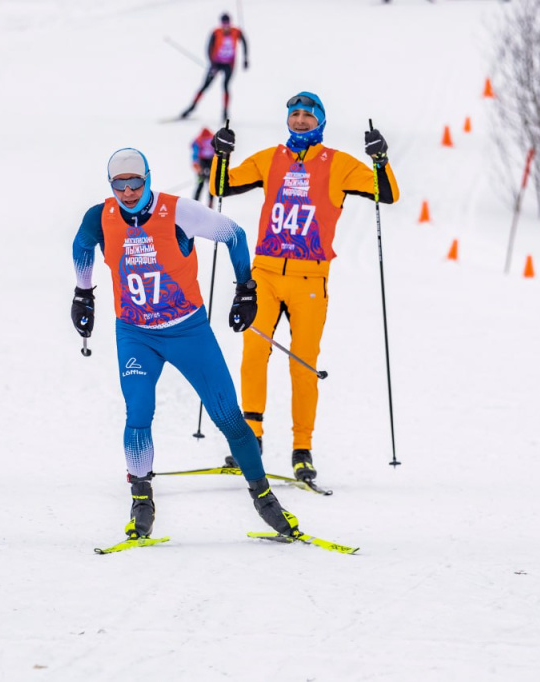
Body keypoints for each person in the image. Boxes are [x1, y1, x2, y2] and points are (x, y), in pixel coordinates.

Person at [70, 147, 300, 542]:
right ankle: (141, 498)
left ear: (148, 178)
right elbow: (81, 246)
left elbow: (233, 234)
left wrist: (246, 290)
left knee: (228, 416)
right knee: (138, 411)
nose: (127, 192)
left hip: (187, 331)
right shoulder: (101, 216)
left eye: (135, 183)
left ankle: (263, 497)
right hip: (136, 334)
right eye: (119, 185)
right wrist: (83, 293)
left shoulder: (177, 211)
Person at [209, 91, 399, 482]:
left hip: (310, 279)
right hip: (264, 273)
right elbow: (222, 187)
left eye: (307, 115)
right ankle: (251, 439)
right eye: (294, 114)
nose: (299, 120)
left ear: (320, 121)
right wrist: (221, 154)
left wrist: (381, 160)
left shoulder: (339, 164)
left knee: (304, 366)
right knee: (253, 355)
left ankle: (302, 449)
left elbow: (386, 193)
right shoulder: (270, 158)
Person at [179, 13, 248, 122]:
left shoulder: (236, 32)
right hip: (216, 63)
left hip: (229, 64)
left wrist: (245, 58)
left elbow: (244, 42)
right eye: (224, 23)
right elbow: (208, 48)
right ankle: (191, 108)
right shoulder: (215, 33)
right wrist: (212, 64)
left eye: (227, 23)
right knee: (205, 85)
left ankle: (225, 112)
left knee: (225, 86)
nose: (226, 26)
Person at [191, 127, 215, 207]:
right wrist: (197, 167)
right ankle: (195, 203)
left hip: (211, 162)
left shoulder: (213, 139)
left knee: (211, 184)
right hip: (202, 163)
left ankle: (210, 204)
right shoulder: (198, 141)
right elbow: (195, 155)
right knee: (200, 183)